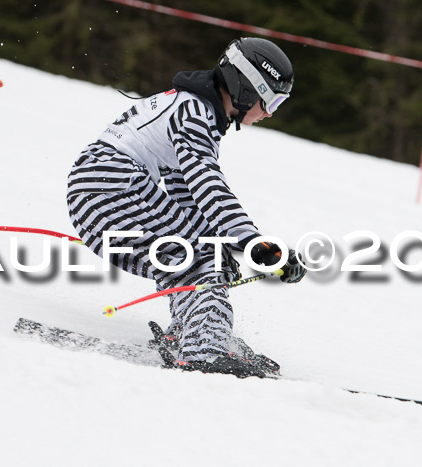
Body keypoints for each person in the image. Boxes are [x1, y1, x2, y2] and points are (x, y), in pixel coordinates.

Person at [66, 37, 306, 378]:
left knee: (204, 252)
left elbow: (185, 191)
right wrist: (255, 244)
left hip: (99, 190)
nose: (269, 112)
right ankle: (203, 350)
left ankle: (194, 333)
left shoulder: (195, 110)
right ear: (246, 88)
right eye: (271, 100)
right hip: (110, 184)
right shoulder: (194, 113)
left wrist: (225, 243)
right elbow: (207, 184)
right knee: (200, 258)